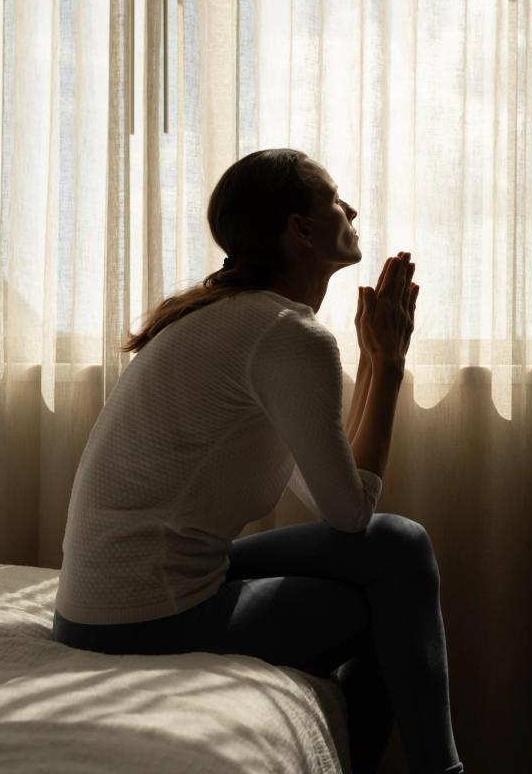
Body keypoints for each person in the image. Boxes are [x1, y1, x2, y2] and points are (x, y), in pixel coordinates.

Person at [51, 148, 465, 774]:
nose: (350, 209)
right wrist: (389, 365)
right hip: (145, 614)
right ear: (300, 229)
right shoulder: (287, 335)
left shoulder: (238, 320)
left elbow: (329, 489)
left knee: (400, 544)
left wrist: (376, 361)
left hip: (105, 602)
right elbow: (348, 512)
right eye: (333, 200)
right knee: (388, 602)